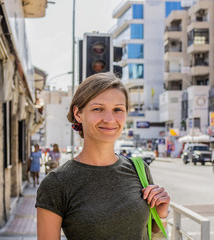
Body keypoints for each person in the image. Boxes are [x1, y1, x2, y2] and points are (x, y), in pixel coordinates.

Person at [35, 72, 170, 239]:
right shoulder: (56, 183)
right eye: (98, 109)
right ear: (78, 113)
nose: (109, 119)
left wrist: (161, 214)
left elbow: (151, 232)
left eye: (118, 109)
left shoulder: (139, 169)